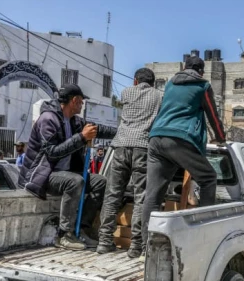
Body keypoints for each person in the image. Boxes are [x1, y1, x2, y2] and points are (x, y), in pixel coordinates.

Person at [141, 56, 226, 259]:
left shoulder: (170, 84)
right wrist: (221, 138)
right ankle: (203, 236)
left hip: (156, 138)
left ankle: (146, 248)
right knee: (208, 178)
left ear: (184, 68)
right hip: (180, 138)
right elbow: (212, 115)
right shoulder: (203, 86)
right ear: (201, 72)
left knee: (153, 196)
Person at [18, 84, 117, 251]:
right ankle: (65, 234)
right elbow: (52, 152)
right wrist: (81, 137)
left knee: (100, 182)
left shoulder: (76, 121)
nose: (82, 105)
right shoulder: (48, 119)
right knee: (76, 181)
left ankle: (84, 228)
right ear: (74, 101)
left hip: (64, 175)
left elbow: (98, 130)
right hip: (41, 174)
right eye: (81, 102)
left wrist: (124, 132)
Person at [97, 68, 163, 257]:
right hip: (143, 145)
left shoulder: (126, 92)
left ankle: (104, 241)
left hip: (121, 145)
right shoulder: (158, 96)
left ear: (135, 81)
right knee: (140, 196)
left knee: (112, 194)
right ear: (153, 82)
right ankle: (136, 246)